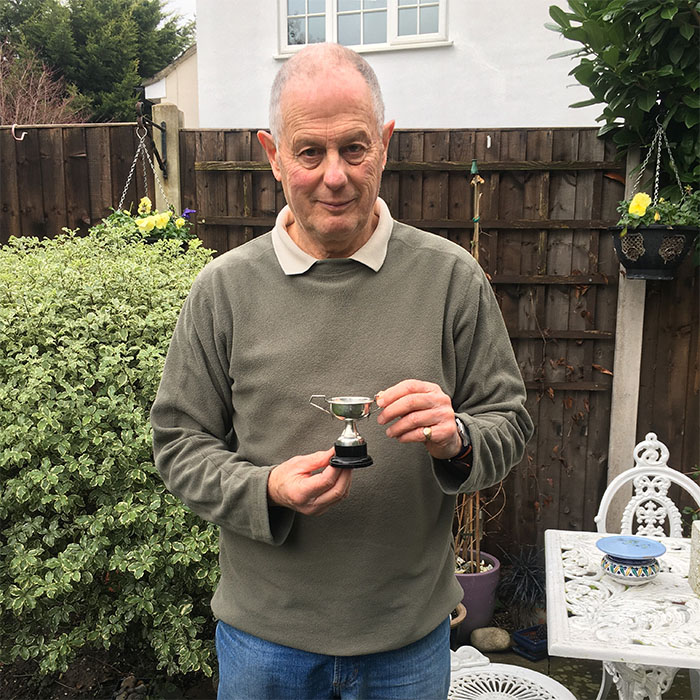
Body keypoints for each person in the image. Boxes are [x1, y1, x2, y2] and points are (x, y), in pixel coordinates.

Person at [151, 42, 533, 699]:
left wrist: (458, 441)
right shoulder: (224, 289)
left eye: (354, 148)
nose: (335, 175)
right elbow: (179, 448)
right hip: (263, 645)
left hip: (408, 644)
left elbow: (509, 425)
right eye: (310, 152)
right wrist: (265, 489)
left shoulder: (451, 279)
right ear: (273, 155)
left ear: (384, 144)